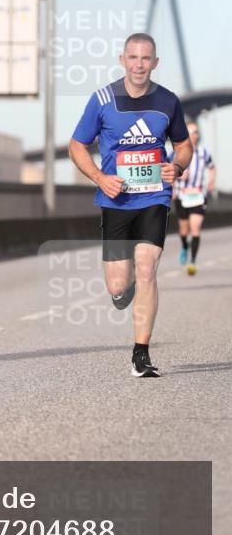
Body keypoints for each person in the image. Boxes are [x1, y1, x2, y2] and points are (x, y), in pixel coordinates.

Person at [69, 33, 192, 378]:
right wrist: (99, 177)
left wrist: (177, 166)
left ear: (156, 62)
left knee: (148, 266)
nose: (140, 65)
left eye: (146, 58)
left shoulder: (168, 101)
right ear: (122, 59)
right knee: (118, 287)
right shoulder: (103, 100)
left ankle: (141, 352)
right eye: (133, 58)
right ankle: (127, 291)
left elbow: (183, 145)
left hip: (154, 196)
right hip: (116, 199)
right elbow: (77, 146)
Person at [173, 121, 216, 275]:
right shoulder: (176, 153)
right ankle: (185, 246)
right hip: (182, 195)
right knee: (184, 230)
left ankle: (192, 262)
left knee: (195, 229)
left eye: (196, 132)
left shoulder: (204, 153)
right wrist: (173, 187)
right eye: (191, 132)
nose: (194, 135)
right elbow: (169, 172)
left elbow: (212, 168)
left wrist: (211, 182)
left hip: (198, 195)